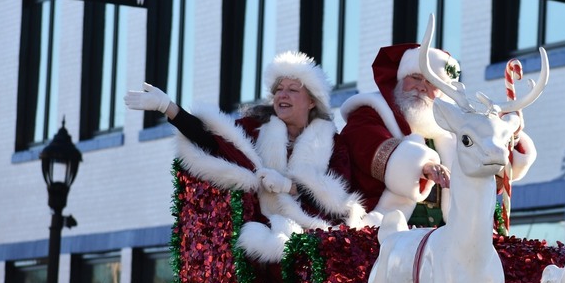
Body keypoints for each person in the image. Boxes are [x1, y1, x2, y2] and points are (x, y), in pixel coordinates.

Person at [124, 51, 365, 263]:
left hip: (314, 243)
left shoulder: (333, 143)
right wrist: (169, 107)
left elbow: (338, 201)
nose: (283, 95)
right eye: (279, 89)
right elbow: (212, 140)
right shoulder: (255, 128)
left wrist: (289, 186)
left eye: (292, 90)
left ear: (312, 101)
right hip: (259, 240)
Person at [338, 43, 536, 227]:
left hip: (442, 242)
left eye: (432, 83)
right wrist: (422, 166)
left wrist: (511, 135)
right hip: (384, 234)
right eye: (415, 77)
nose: (422, 86)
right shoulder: (372, 112)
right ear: (400, 79)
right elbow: (367, 143)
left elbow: (488, 160)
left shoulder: (452, 130)